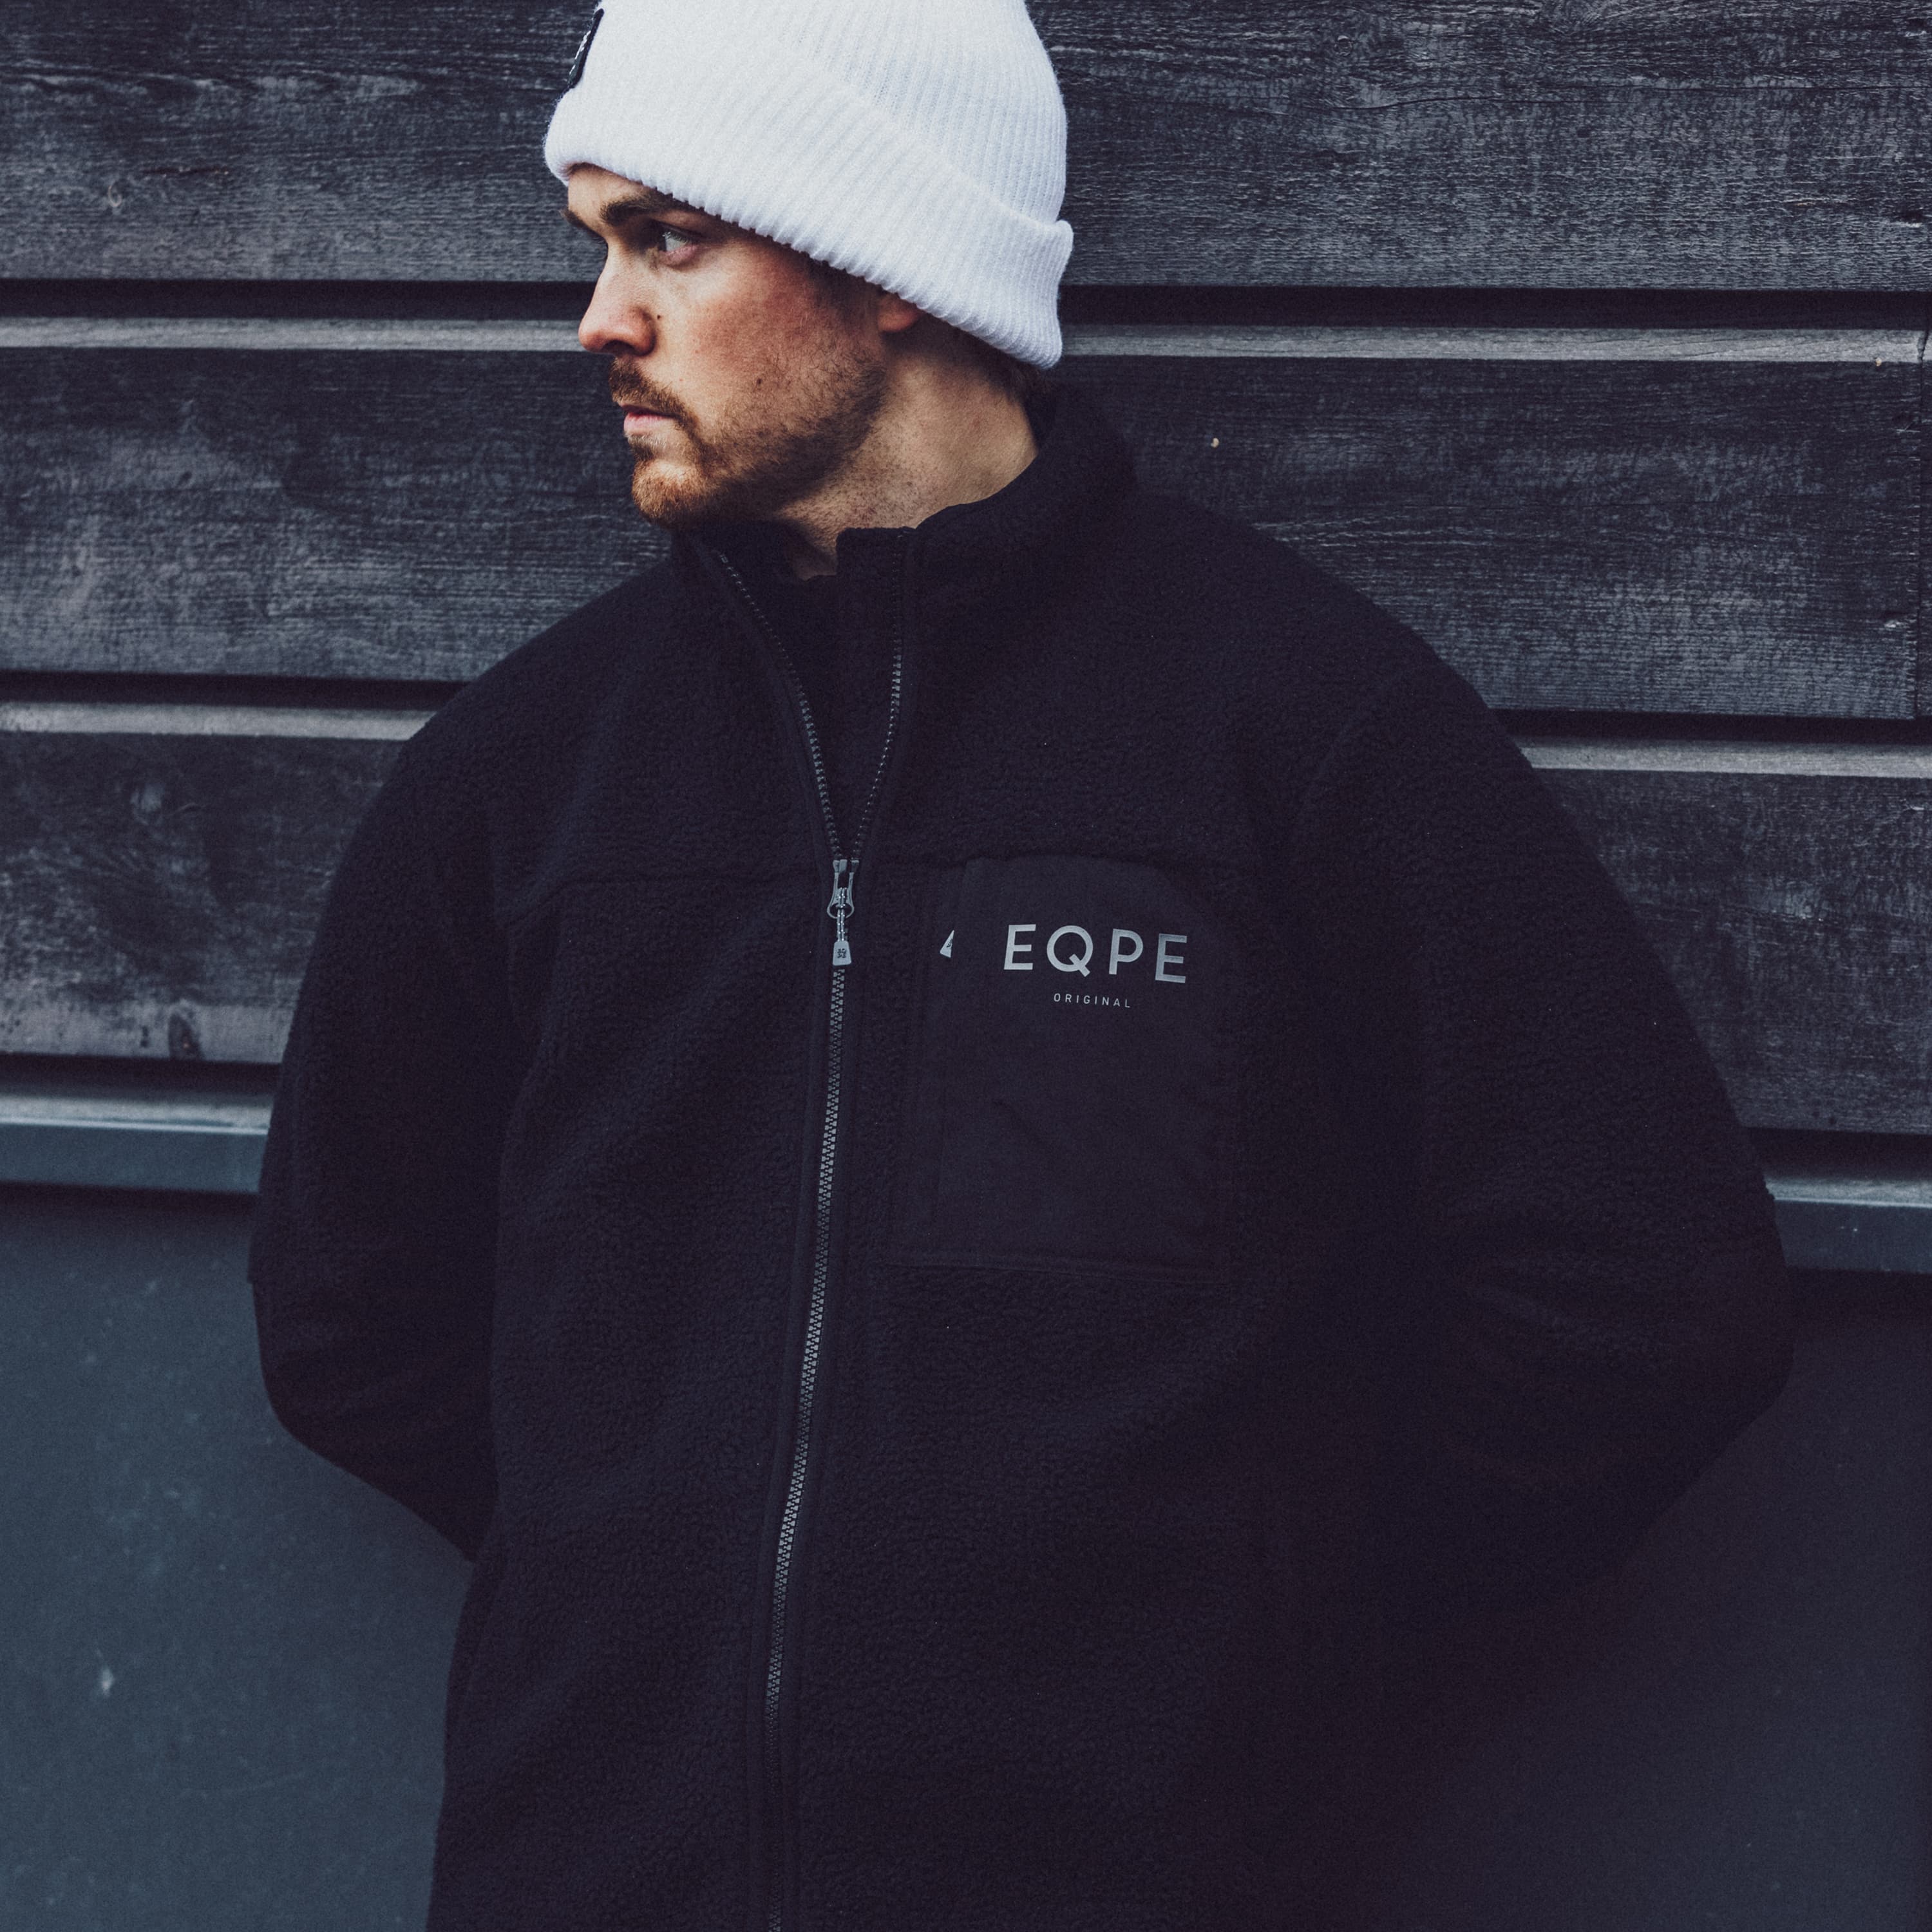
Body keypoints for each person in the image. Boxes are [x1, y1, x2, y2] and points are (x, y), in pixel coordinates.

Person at [247, 1, 1794, 1926]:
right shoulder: (525, 778)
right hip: (589, 1874)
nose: (600, 321)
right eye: (602, 247)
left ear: (885, 260)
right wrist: (630, 1559)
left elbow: (1644, 1295)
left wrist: (1255, 1619)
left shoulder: (1296, 731)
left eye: (666, 240)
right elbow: (348, 1310)